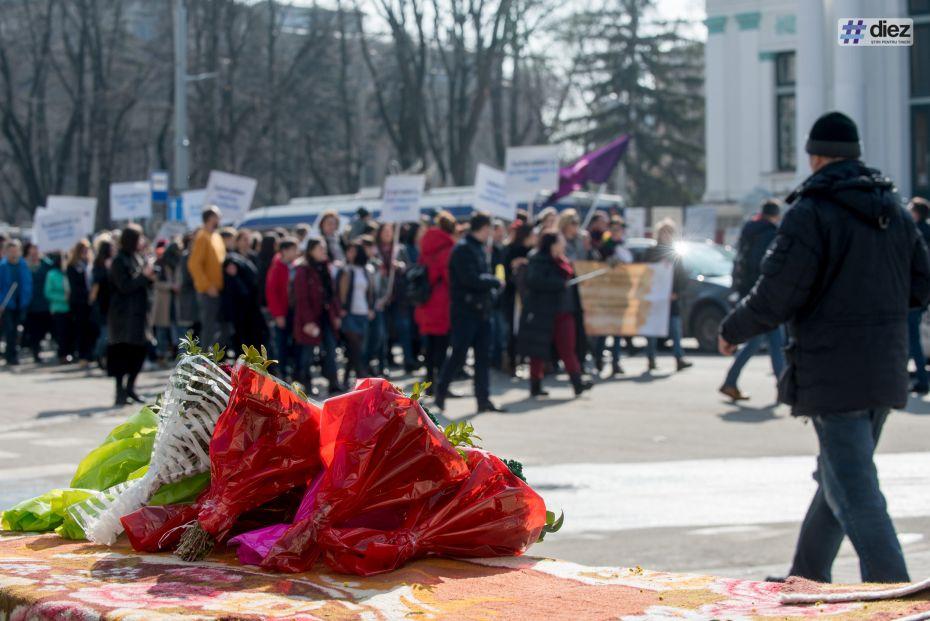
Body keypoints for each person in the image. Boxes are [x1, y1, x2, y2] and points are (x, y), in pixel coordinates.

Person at [719, 111, 930, 584]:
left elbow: (777, 293)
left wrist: (732, 329)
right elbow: (922, 283)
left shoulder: (811, 212)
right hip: (885, 365)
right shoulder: (893, 210)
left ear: (814, 155)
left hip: (834, 371)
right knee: (837, 476)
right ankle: (807, 574)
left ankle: (896, 592)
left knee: (854, 488)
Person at [433, 212, 505, 413]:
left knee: (483, 357)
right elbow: (469, 279)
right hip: (466, 312)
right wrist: (493, 281)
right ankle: (441, 392)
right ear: (483, 228)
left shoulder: (479, 248)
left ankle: (483, 399)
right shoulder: (463, 249)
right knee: (458, 354)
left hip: (482, 311)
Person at [719, 199, 786, 401]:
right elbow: (766, 268)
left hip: (747, 293)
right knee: (776, 342)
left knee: (756, 342)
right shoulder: (770, 234)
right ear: (775, 216)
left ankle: (730, 382)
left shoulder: (749, 231)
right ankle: (783, 388)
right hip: (763, 297)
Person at [518, 231, 593, 397]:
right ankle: (535, 384)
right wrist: (558, 283)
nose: (564, 243)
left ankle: (577, 382)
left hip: (565, 311)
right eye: (561, 240)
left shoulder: (563, 261)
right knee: (537, 350)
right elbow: (535, 281)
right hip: (543, 312)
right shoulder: (537, 259)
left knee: (568, 347)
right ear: (552, 244)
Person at [108, 224, 155, 406]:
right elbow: (124, 286)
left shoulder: (137, 257)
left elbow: (142, 282)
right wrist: (144, 276)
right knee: (122, 353)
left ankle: (131, 387)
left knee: (139, 351)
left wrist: (148, 276)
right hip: (123, 315)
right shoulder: (119, 260)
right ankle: (120, 391)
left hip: (139, 313)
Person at [293, 237, 342, 395]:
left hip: (326, 315)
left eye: (324, 248)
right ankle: (306, 384)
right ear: (311, 250)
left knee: (331, 348)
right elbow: (302, 297)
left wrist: (336, 313)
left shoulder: (325, 266)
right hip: (310, 316)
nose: (323, 251)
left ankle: (334, 383)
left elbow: (332, 293)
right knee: (307, 352)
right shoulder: (303, 270)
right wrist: (308, 321)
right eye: (320, 248)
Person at [414, 211, 457, 389]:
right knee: (442, 346)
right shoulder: (447, 249)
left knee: (430, 346)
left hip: (426, 301)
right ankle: (441, 384)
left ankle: (429, 383)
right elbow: (450, 277)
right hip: (442, 302)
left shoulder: (425, 246)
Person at [644, 219, 692, 372]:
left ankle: (679, 358)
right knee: (653, 329)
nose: (666, 235)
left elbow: (682, 276)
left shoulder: (675, 253)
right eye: (664, 232)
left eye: (669, 232)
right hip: (655, 296)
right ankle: (651, 358)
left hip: (671, 297)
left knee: (675, 329)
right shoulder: (651, 251)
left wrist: (676, 292)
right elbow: (646, 272)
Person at [593, 216, 634, 376]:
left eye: (620, 229)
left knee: (617, 330)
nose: (618, 232)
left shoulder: (625, 246)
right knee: (604, 329)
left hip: (621, 292)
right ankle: (599, 358)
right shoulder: (605, 247)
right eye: (615, 229)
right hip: (607, 293)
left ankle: (615, 361)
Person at [338, 241, 376, 385]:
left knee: (355, 349)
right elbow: (340, 292)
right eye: (348, 251)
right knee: (355, 347)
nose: (350, 254)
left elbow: (371, 291)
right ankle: (363, 377)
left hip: (363, 313)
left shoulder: (367, 270)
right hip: (349, 314)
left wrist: (371, 308)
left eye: (353, 251)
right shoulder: (345, 270)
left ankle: (347, 378)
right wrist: (341, 308)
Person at [188, 206, 226, 347]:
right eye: (218, 216)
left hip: (219, 290)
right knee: (209, 328)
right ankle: (205, 360)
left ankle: (213, 358)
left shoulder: (216, 236)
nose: (220, 219)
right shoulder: (202, 237)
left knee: (222, 327)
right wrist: (207, 286)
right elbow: (194, 265)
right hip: (208, 291)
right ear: (210, 218)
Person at [265, 237, 300, 378]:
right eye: (293, 249)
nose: (295, 252)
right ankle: (282, 374)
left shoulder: (292, 266)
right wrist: (278, 314)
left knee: (292, 344)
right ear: (284, 251)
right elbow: (272, 292)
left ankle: (292, 373)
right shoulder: (277, 267)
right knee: (281, 345)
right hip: (282, 313)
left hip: (292, 311)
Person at [907, 196, 930, 394]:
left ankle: (921, 378)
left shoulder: (914, 233)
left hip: (912, 296)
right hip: (920, 296)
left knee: (911, 339)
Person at [0, 240, 33, 368]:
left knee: (17, 330)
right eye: (11, 251)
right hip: (7, 304)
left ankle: (13, 352)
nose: (14, 253)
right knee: (10, 330)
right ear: (6, 252)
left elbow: (27, 285)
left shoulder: (23, 265)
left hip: (21, 304)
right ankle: (10, 355)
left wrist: (25, 300)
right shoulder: (2, 267)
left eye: (16, 250)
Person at [66, 239, 95, 367]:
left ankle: (90, 353)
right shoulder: (72, 266)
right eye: (83, 250)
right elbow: (74, 286)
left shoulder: (90, 265)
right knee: (81, 329)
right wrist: (86, 295)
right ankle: (82, 354)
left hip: (91, 303)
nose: (85, 252)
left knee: (91, 329)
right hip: (79, 302)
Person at [23, 243, 53, 363]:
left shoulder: (45, 264)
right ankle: (35, 351)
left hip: (45, 301)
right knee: (34, 330)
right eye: (32, 249)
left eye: (37, 248)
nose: (35, 251)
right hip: (30, 303)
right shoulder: (23, 264)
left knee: (44, 328)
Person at [90, 239, 114, 366]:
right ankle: (98, 354)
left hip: (112, 302)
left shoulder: (114, 262)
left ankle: (105, 356)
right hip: (102, 303)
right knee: (105, 333)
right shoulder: (99, 264)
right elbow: (97, 283)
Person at [44, 253, 71, 364]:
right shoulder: (52, 274)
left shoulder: (68, 272)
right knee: (61, 333)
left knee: (69, 333)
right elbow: (48, 292)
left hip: (71, 308)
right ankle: (62, 354)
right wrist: (63, 298)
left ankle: (70, 352)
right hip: (58, 308)